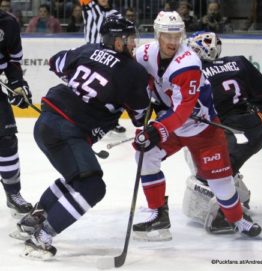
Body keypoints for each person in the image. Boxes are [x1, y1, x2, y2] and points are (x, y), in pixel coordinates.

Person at [14, 15, 150, 259]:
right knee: (92, 187)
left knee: (77, 176)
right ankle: (42, 236)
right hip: (70, 130)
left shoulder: (89, 49)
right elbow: (141, 117)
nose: (134, 44)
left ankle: (33, 220)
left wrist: (78, 80)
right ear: (118, 42)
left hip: (45, 123)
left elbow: (55, 62)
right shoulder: (134, 71)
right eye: (130, 39)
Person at [132, 11, 262, 242]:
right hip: (172, 124)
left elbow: (183, 111)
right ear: (157, 34)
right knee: (145, 154)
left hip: (201, 129)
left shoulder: (188, 63)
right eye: (167, 36)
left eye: (177, 35)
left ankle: (237, 219)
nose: (173, 41)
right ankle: (158, 214)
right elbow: (135, 80)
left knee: (220, 182)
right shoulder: (142, 54)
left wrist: (156, 128)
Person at [182, 31, 262, 232]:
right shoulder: (239, 62)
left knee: (209, 171)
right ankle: (235, 194)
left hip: (223, 131)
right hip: (249, 128)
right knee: (215, 168)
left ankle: (223, 213)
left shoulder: (191, 73)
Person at [0, 10, 33, 217]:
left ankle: (13, 193)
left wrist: (17, 84)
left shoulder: (8, 23)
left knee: (7, 138)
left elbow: (13, 62)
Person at [80, 0, 126, 134]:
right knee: (88, 89)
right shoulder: (89, 7)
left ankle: (111, 122)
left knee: (110, 90)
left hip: (108, 55)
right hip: (90, 53)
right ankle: (87, 119)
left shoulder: (115, 14)